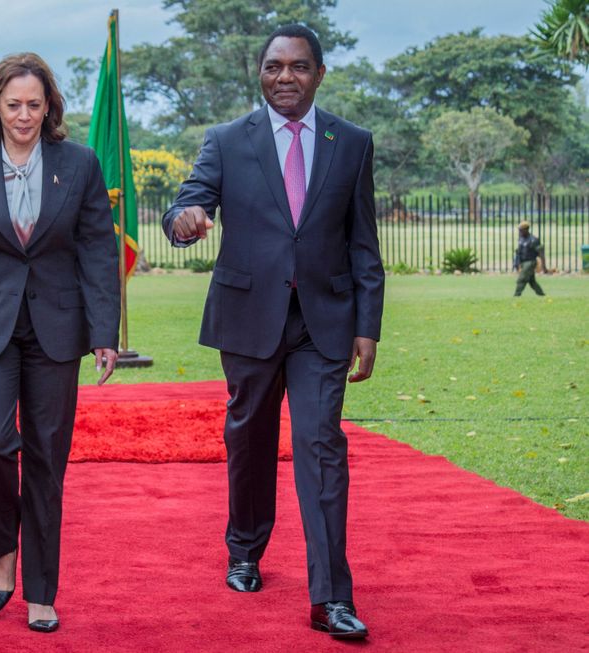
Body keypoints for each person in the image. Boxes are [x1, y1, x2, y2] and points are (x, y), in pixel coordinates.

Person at [162, 25, 384, 639]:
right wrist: (185, 220)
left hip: (324, 323)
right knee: (250, 438)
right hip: (248, 318)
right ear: (259, 73)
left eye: (299, 66)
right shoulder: (227, 140)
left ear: (319, 73)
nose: (285, 77)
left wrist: (368, 326)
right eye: (273, 66)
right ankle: (244, 549)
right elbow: (185, 204)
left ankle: (331, 598)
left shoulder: (352, 142)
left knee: (320, 444)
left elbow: (363, 241)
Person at [0, 52, 121, 633]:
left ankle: (41, 589)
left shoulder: (80, 164)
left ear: (49, 106)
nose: (24, 115)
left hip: (56, 329)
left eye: (35, 104)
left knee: (46, 459)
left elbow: (98, 252)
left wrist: (104, 333)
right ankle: (3, 552)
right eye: (13, 104)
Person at [513, 221, 548, 296]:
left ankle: (516, 295)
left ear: (526, 229)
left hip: (530, 262)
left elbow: (541, 253)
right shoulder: (521, 239)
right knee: (532, 281)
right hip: (523, 262)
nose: (520, 232)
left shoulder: (534, 240)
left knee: (521, 279)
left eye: (521, 230)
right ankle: (541, 295)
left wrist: (543, 267)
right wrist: (516, 263)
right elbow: (518, 252)